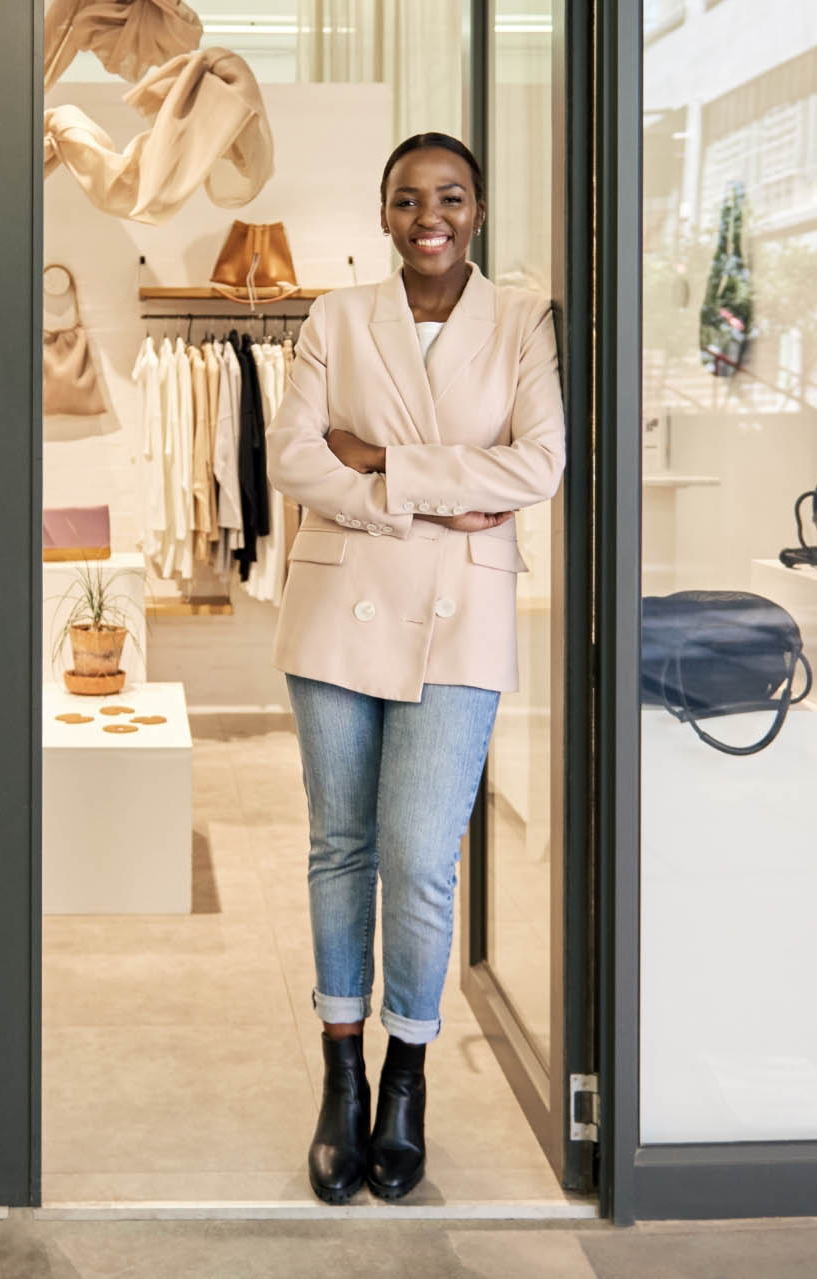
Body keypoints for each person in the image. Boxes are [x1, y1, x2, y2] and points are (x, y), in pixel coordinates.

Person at [264, 131, 567, 1203]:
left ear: (477, 211)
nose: (426, 214)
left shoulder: (523, 318)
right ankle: (341, 1073)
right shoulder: (335, 317)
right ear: (383, 214)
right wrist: (443, 485)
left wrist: (382, 462)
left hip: (461, 612)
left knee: (420, 852)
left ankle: (407, 1075)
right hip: (336, 600)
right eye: (405, 198)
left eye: (448, 197)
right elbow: (293, 456)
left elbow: (539, 462)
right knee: (340, 843)